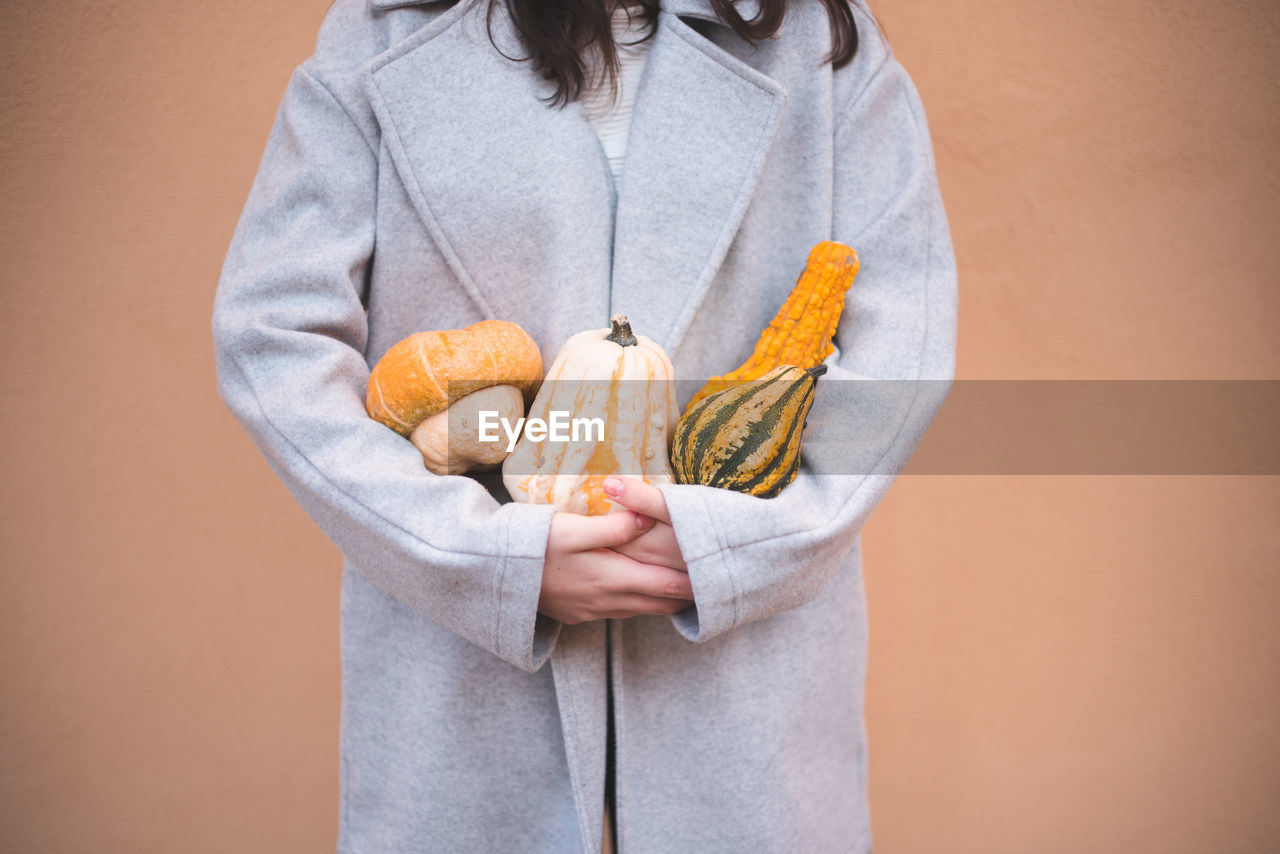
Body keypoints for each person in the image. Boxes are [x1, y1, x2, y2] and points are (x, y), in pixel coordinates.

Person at [211, 0, 957, 851]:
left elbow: (904, 344)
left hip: (743, 665)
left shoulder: (821, 42)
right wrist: (478, 558)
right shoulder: (381, 32)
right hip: (462, 664)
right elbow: (274, 336)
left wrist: (746, 541)